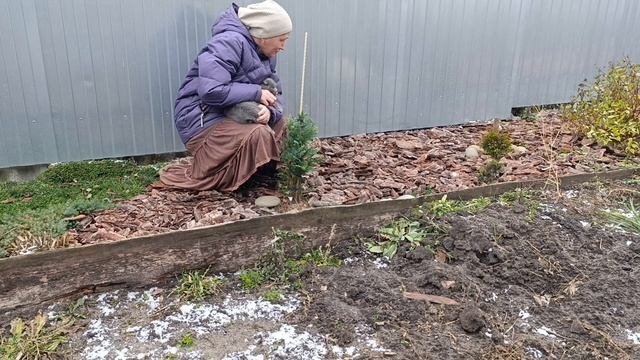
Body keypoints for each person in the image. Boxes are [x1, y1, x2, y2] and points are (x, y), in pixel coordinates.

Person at [159, 0, 292, 192]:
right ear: (264, 35)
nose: (283, 46)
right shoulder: (227, 43)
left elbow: (274, 92)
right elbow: (211, 91)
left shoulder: (266, 53)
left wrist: (269, 111)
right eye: (281, 39)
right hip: (201, 119)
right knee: (258, 134)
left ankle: (259, 174)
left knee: (282, 124)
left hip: (236, 111)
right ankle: (221, 174)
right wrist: (256, 93)